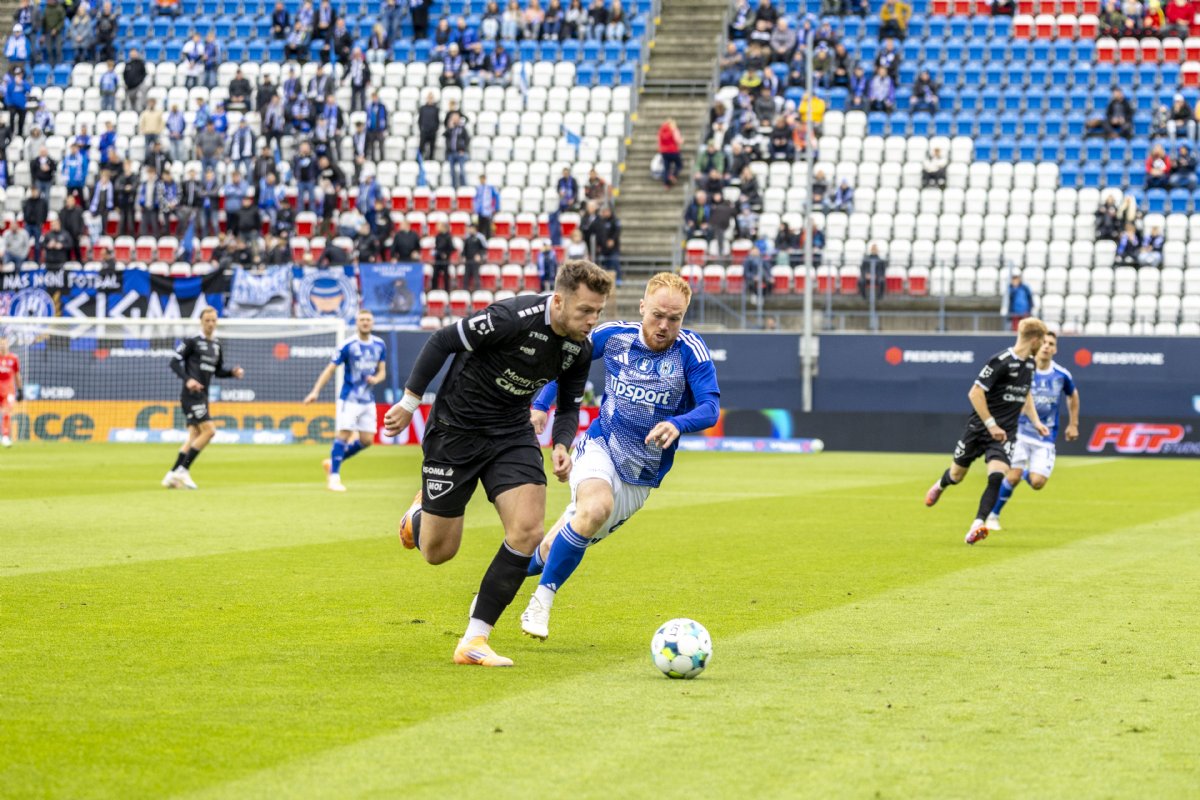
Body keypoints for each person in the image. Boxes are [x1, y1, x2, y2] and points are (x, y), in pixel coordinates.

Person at [384, 260, 614, 668]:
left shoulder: (579, 348)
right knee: (438, 552)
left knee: (528, 530)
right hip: (456, 430)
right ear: (559, 301)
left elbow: (568, 405)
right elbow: (442, 340)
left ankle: (475, 639)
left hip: (511, 433)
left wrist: (562, 444)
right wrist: (409, 402)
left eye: (597, 311)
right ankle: (418, 517)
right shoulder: (511, 318)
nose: (592, 320)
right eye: (585, 310)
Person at [519, 272, 721, 640]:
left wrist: (677, 423)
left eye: (674, 318)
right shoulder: (614, 336)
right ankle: (541, 603)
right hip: (601, 445)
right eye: (657, 315)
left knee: (551, 547)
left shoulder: (691, 350)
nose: (664, 326)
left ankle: (499, 584)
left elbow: (710, 407)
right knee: (596, 507)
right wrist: (541, 406)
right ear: (642, 307)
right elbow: (564, 365)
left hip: (641, 475)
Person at [924, 317, 1049, 545]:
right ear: (1034, 340)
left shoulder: (1030, 365)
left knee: (997, 476)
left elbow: (1025, 394)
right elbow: (975, 393)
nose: (1043, 346)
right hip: (979, 429)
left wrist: (1036, 421)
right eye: (1042, 341)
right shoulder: (1000, 361)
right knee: (956, 476)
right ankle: (941, 485)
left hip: (1005, 434)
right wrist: (991, 424)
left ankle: (977, 524)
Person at [987, 331, 1080, 530]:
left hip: (1045, 436)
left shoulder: (1061, 375)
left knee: (1038, 483)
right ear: (1037, 344)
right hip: (1019, 432)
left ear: (1055, 349)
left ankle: (1024, 473)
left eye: (1051, 343)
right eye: (1044, 342)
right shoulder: (1023, 370)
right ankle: (993, 515)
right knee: (1012, 476)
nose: (1047, 346)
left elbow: (1073, 395)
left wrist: (1073, 424)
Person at [304, 309, 386, 492]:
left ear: (372, 323)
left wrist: (376, 379)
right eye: (362, 319)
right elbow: (330, 370)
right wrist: (315, 392)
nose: (365, 322)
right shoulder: (348, 345)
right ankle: (334, 477)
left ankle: (331, 462)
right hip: (349, 399)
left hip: (368, 400)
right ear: (357, 323)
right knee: (344, 434)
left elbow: (382, 372)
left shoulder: (380, 345)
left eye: (368, 319)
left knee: (367, 440)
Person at [163, 308, 245, 490]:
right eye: (207, 320)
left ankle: (171, 474)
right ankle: (183, 470)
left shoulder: (216, 345)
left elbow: (218, 371)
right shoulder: (192, 341)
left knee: (194, 435)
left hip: (203, 396)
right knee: (209, 431)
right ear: (201, 321)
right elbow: (174, 362)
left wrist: (232, 373)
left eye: (213, 320)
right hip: (191, 395)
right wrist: (188, 380)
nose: (210, 324)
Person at [0, 335, 21, 447]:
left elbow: (17, 375)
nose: (2, 346)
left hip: (8, 391)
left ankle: (5, 437)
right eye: (1, 344)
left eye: (4, 343)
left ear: (8, 344)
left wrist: (20, 389)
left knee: (7, 412)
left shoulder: (13, 358)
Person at [658, 118, 683, 188]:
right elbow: (678, 140)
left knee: (666, 168)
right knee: (679, 165)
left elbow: (659, 141)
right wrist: (682, 140)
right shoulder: (673, 130)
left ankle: (666, 184)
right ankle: (673, 175)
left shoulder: (661, 130)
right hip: (673, 151)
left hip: (664, 151)